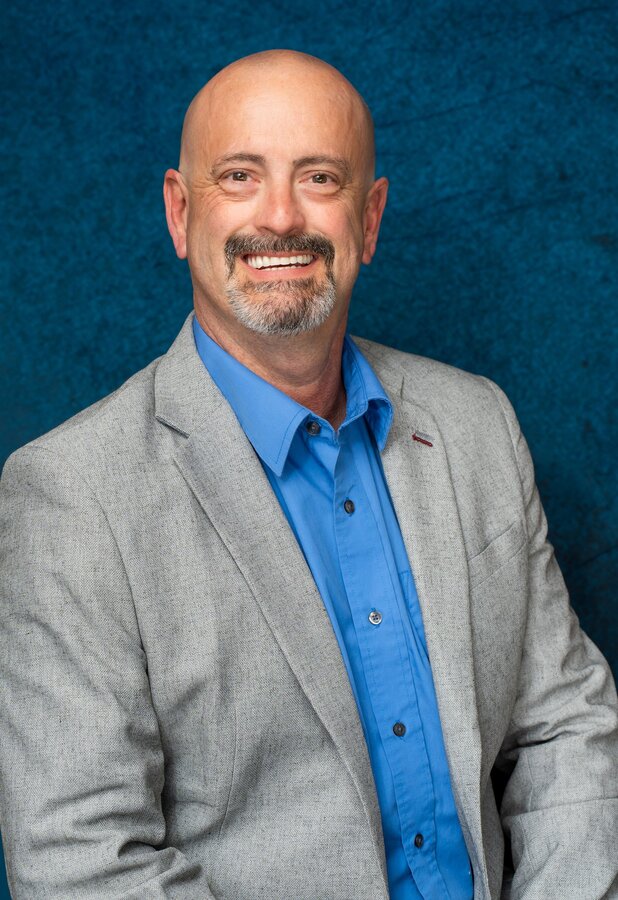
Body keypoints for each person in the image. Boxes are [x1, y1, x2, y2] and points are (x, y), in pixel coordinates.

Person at [0, 49, 616, 900]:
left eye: (320, 178)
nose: (282, 216)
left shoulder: (476, 425)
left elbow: (566, 726)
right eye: (240, 177)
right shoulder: (73, 494)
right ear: (181, 212)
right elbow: (79, 860)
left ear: (370, 218)